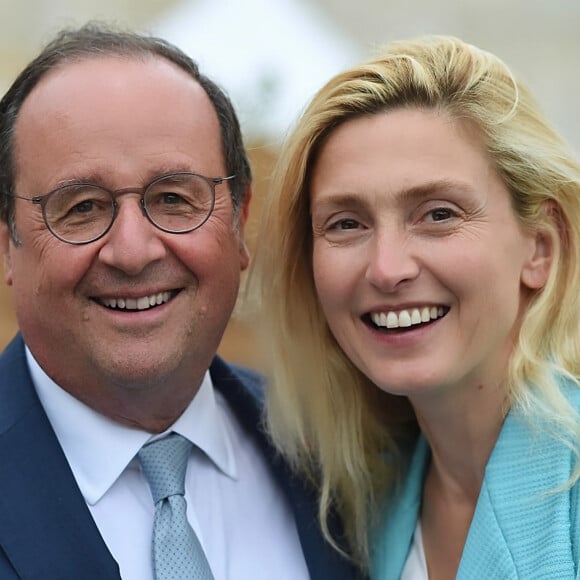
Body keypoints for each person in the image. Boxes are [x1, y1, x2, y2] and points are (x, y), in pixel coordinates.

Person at [0, 23, 360, 580]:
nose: (132, 251)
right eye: (82, 208)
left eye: (173, 199)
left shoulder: (344, 461)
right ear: (6, 246)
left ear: (241, 223)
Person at [250, 35, 580, 579]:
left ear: (540, 246)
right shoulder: (362, 505)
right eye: (346, 223)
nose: (387, 268)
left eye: (438, 214)